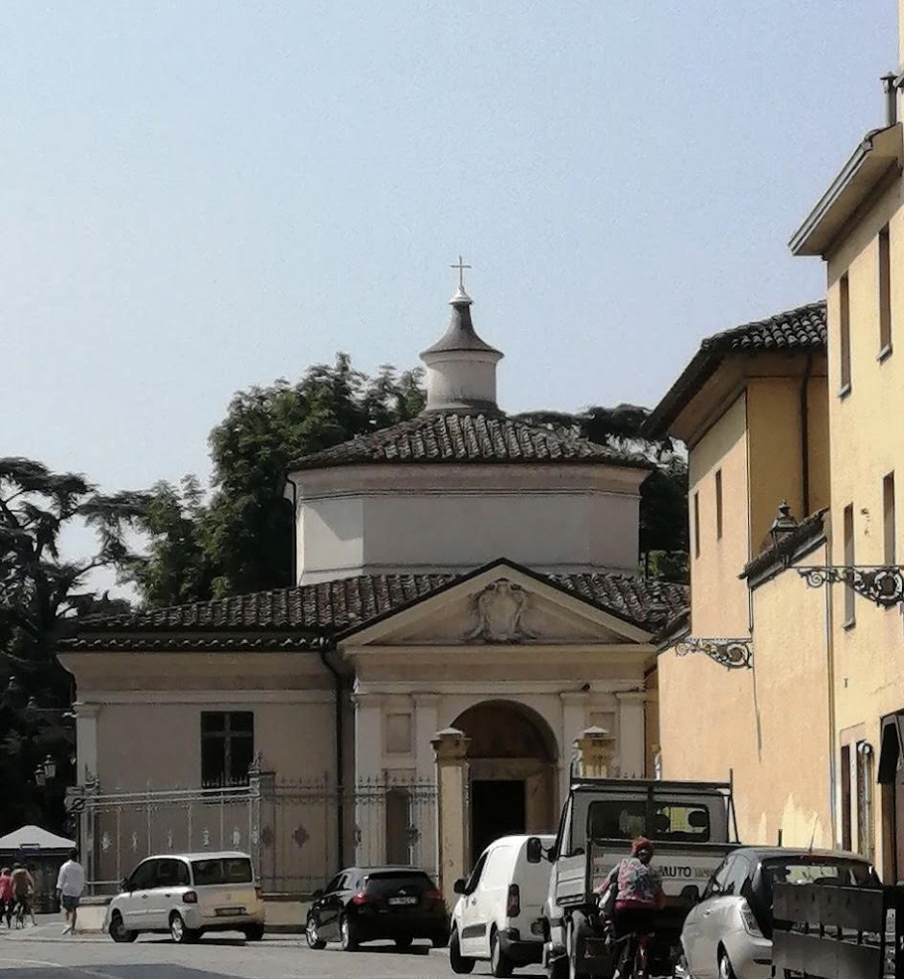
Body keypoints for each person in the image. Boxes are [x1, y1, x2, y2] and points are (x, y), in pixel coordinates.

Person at [599, 837, 665, 979]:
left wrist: (599, 891)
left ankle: (617, 967)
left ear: (633, 851)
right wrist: (658, 907)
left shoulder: (623, 864)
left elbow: (607, 883)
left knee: (619, 939)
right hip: (645, 911)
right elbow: (659, 897)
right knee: (645, 936)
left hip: (623, 908)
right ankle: (643, 961)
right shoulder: (653, 872)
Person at [56, 849, 86, 935]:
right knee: (74, 909)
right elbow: (82, 880)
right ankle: (73, 928)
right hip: (76, 891)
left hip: (67, 890)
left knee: (65, 908)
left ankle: (67, 924)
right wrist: (81, 890)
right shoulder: (80, 868)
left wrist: (58, 890)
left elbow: (61, 879)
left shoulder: (65, 867)